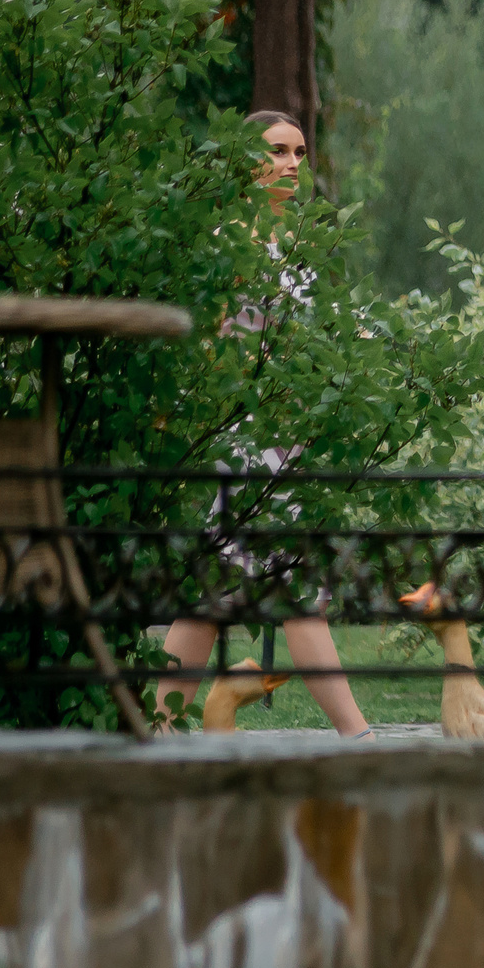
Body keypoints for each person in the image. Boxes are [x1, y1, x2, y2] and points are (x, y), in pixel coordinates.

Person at [156, 111, 372, 739]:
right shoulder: (229, 240)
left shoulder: (290, 244)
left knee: (210, 598)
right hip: (250, 438)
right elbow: (212, 338)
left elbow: (306, 331)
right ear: (243, 161)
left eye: (299, 153)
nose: (292, 165)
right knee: (296, 590)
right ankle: (359, 737)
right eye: (277, 151)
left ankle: (154, 734)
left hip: (285, 436)